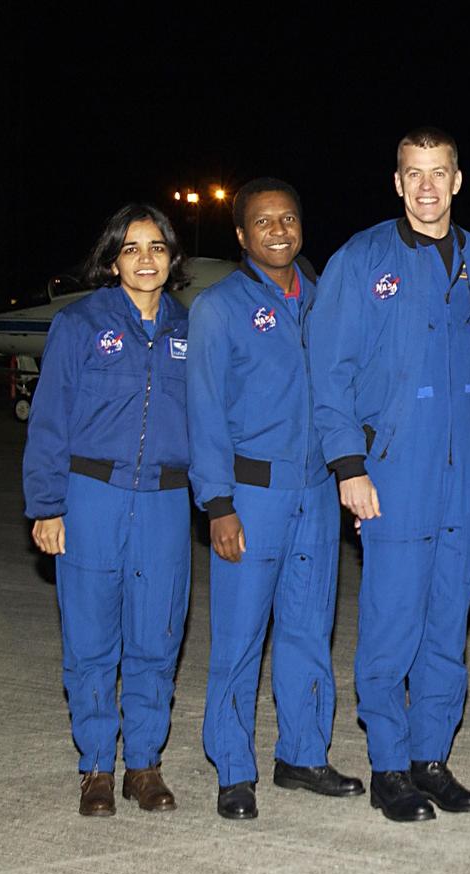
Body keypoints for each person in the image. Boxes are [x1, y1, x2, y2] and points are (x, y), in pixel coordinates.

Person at [308, 128, 470, 822]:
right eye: (413, 173)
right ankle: (388, 762)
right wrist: (348, 465)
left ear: (457, 179)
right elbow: (329, 372)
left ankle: (430, 757)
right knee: (392, 620)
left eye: (438, 172)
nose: (426, 186)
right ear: (396, 182)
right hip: (392, 468)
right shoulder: (362, 260)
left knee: (448, 620)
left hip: (463, 471)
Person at [188, 178, 362, 820]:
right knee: (237, 637)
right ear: (241, 234)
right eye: (264, 222)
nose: (279, 230)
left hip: (315, 494)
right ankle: (233, 767)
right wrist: (217, 504)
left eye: (289, 218)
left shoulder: (323, 302)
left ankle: (303, 754)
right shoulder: (219, 308)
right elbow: (202, 412)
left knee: (308, 629)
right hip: (249, 497)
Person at [23, 203, 192, 817]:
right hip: (91, 496)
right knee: (91, 637)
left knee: (157, 635)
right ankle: (96, 765)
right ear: (112, 257)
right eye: (131, 247)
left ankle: (143, 765)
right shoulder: (79, 323)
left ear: (173, 257)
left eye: (156, 246)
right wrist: (47, 504)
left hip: (167, 502)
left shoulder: (189, 329)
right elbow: (48, 421)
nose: (145, 258)